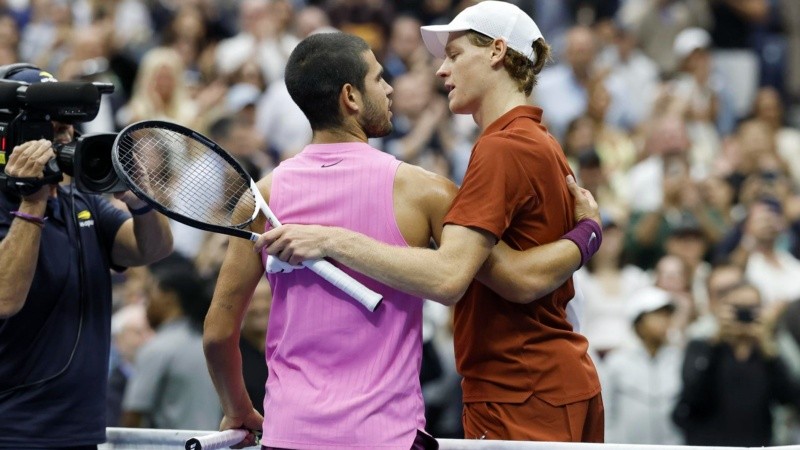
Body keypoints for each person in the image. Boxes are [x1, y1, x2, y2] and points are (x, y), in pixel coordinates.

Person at [207, 30, 601, 450]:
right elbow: (515, 279)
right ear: (351, 97)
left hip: (290, 434)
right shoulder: (426, 192)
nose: (390, 88)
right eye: (379, 78)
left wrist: (238, 408)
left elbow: (218, 333)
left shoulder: (263, 198)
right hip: (387, 436)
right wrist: (588, 232)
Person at [0, 66, 173, 449]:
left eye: (69, 129)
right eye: (54, 129)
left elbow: (153, 249)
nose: (66, 140)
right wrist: (32, 201)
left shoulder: (83, 203)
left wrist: (141, 200)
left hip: (80, 429)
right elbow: (4, 298)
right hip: (13, 430)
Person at [121, 257, 221, 430]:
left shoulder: (158, 348)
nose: (146, 304)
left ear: (168, 298)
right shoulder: (211, 347)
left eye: (149, 294)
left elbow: (132, 417)